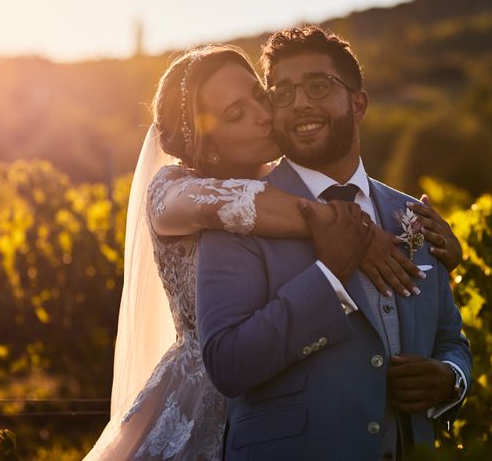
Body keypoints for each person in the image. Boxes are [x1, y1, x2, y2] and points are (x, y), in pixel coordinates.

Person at [83, 44, 462, 460]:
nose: (263, 115)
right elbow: (241, 206)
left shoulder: (401, 212)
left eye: (259, 96)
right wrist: (357, 229)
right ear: (208, 145)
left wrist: (452, 377)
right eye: (234, 114)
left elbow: (446, 333)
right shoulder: (183, 196)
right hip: (211, 415)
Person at [196, 27, 472, 461]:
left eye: (318, 86)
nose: (300, 102)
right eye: (283, 93)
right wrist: (329, 279)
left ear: (358, 103)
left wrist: (451, 379)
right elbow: (227, 363)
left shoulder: (414, 217)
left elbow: (450, 337)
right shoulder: (238, 215)